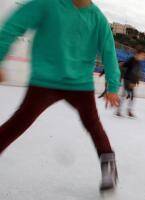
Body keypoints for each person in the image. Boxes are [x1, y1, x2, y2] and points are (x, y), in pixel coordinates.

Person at [0, 0, 120, 191]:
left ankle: (109, 169)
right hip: (45, 81)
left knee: (93, 125)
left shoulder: (98, 19)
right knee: (20, 121)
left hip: (80, 85)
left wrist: (113, 85)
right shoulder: (48, 4)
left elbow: (109, 53)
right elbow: (14, 26)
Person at [116, 50, 145, 117]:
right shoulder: (131, 60)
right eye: (142, 55)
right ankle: (120, 111)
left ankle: (127, 111)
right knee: (125, 95)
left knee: (130, 96)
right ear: (138, 54)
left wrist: (136, 81)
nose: (143, 57)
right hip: (127, 80)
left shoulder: (138, 63)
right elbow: (124, 66)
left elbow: (137, 73)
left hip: (132, 81)